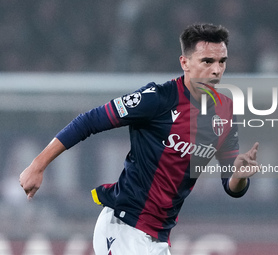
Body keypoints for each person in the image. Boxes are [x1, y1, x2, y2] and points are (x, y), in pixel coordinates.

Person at [20, 23, 260, 255]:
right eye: (207, 61)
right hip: (124, 226)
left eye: (222, 62)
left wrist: (239, 175)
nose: (216, 70)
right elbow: (89, 121)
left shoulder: (225, 112)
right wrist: (38, 165)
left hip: (159, 238)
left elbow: (232, 187)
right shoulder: (157, 99)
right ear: (185, 63)